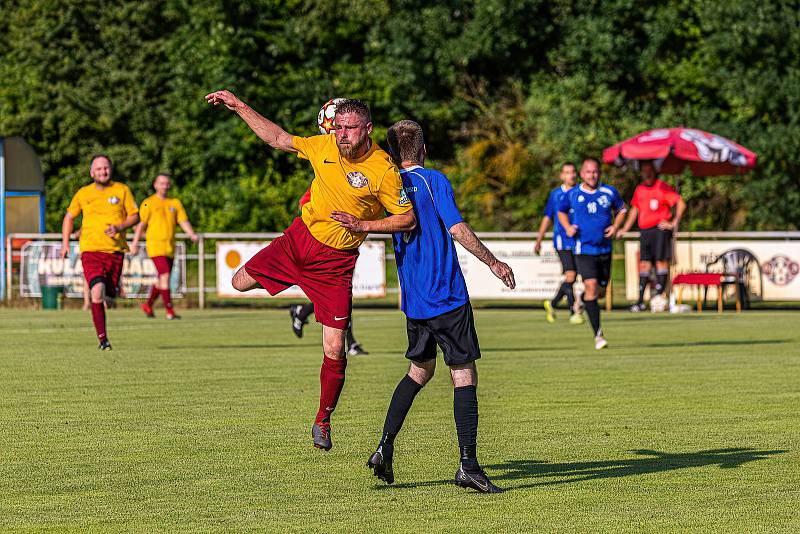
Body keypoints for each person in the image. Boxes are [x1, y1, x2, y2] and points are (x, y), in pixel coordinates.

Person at [205, 90, 416, 451]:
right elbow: (277, 137)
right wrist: (239, 106)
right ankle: (300, 295)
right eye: (338, 128)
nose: (342, 134)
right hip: (297, 241)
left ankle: (322, 420)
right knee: (238, 282)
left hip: (335, 264)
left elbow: (407, 217)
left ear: (368, 128)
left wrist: (364, 225)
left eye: (350, 128)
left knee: (335, 347)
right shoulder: (324, 147)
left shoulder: (382, 169)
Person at [361, 120, 515, 493]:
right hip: (446, 296)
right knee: (463, 374)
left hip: (414, 302)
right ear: (424, 150)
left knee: (419, 371)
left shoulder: (388, 186)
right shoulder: (434, 180)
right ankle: (468, 466)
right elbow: (457, 228)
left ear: (393, 154)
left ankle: (385, 444)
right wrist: (493, 262)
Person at [60, 155, 139, 350]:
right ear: (91, 172)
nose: (103, 171)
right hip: (90, 250)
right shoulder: (83, 193)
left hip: (115, 252)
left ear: (110, 170)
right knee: (96, 292)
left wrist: (119, 227)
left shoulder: (122, 190)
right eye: (98, 169)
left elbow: (135, 216)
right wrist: (65, 243)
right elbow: (69, 217)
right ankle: (103, 340)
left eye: (106, 168)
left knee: (109, 298)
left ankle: (110, 297)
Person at [558, 158, 626, 350]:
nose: (592, 175)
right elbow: (561, 212)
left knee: (600, 292)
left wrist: (616, 226)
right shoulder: (572, 194)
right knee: (592, 287)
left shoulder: (609, 192)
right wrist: (568, 227)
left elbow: (622, 210)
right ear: (582, 174)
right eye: (588, 172)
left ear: (599, 173)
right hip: (583, 249)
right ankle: (598, 335)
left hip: (605, 249)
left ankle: (582, 297)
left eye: (595, 171)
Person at [290, 189, 368, 356]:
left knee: (337, 297)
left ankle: (301, 312)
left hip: (345, 250)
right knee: (337, 297)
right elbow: (304, 203)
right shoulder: (325, 181)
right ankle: (351, 344)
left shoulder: (355, 180)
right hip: (325, 251)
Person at [617, 160, 686, 311]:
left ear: (654, 171)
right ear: (641, 172)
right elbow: (635, 209)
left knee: (661, 262)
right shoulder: (640, 189)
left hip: (660, 230)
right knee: (644, 265)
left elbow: (680, 203)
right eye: (644, 170)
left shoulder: (662, 187)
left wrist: (674, 222)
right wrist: (625, 228)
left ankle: (659, 298)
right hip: (645, 231)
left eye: (650, 170)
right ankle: (640, 301)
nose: (647, 173)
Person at [130, 173, 199, 320]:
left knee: (162, 279)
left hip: (170, 247)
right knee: (165, 276)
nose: (164, 186)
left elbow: (183, 221)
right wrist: (135, 243)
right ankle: (170, 311)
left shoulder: (175, 203)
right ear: (155, 185)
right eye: (161, 183)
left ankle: (148, 304)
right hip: (155, 246)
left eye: (167, 183)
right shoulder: (148, 202)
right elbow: (141, 224)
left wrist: (192, 234)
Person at [534, 162, 583, 325]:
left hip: (579, 241)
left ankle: (552, 303)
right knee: (571, 275)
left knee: (573, 277)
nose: (572, 175)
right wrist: (539, 239)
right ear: (562, 176)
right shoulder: (556, 195)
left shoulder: (581, 192)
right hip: (562, 241)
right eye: (568, 172)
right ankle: (573, 312)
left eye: (573, 172)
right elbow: (547, 217)